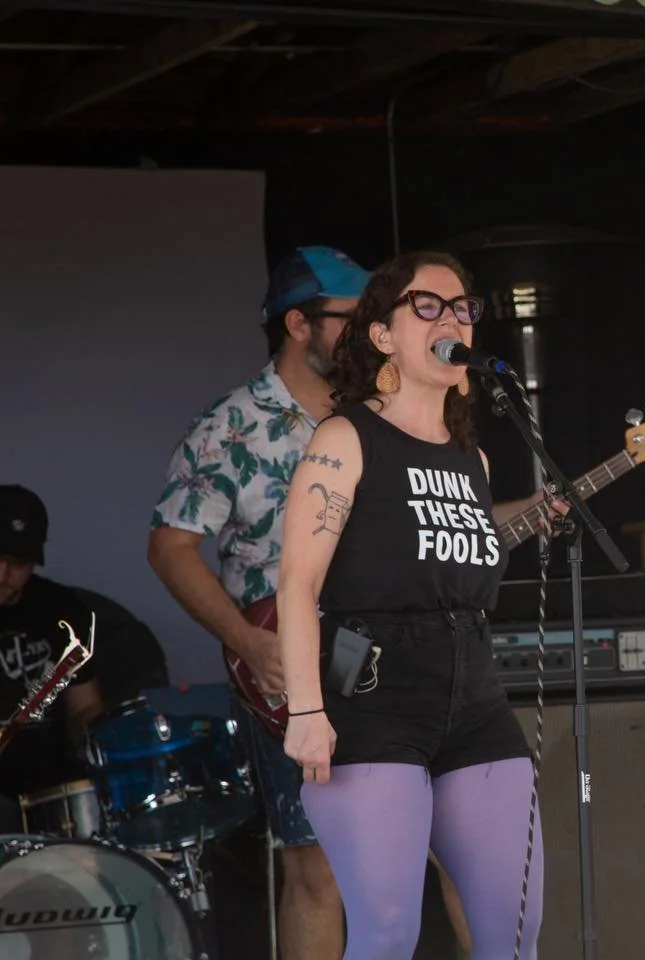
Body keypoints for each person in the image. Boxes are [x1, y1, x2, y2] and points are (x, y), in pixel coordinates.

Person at [278, 250, 554, 960]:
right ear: (382, 336)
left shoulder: (475, 461)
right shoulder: (346, 439)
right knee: (388, 933)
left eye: (462, 306)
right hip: (373, 697)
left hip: (474, 697)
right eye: (427, 305)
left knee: (512, 932)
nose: (452, 317)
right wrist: (307, 712)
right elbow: (298, 585)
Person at [149, 245, 368, 960]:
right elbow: (170, 547)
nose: (370, 332)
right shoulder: (231, 427)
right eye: (352, 318)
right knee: (317, 868)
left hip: (395, 658)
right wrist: (250, 643)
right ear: (300, 323)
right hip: (293, 669)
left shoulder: (382, 416)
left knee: (454, 844)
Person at [0, 485, 105, 833]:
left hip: (54, 789)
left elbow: (85, 707)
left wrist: (99, 744)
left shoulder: (62, 609)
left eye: (17, 564)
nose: (3, 574)